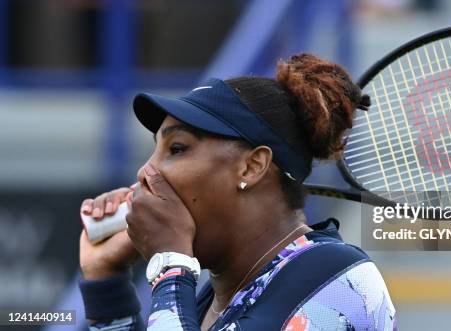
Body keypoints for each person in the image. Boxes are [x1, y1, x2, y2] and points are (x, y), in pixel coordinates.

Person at [78, 53, 397, 330]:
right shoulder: (210, 301)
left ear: (252, 166)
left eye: (176, 149)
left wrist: (170, 260)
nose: (145, 172)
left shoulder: (336, 277)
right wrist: (107, 281)